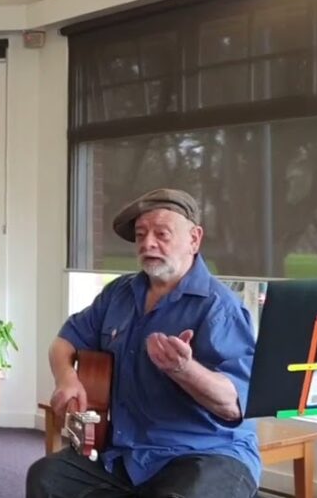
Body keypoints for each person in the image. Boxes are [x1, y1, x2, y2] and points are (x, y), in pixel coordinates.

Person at [26, 188, 261, 498]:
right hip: (128, 452)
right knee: (46, 478)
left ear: (194, 239)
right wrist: (67, 379)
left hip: (205, 453)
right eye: (141, 235)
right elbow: (64, 342)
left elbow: (234, 405)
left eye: (162, 234)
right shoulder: (118, 294)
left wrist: (184, 369)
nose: (148, 243)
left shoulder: (220, 308)